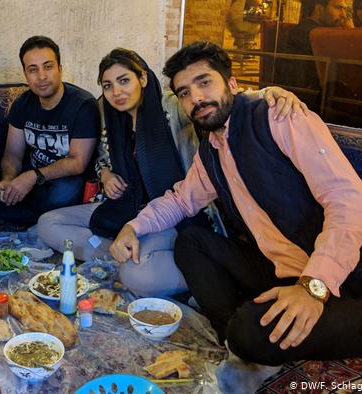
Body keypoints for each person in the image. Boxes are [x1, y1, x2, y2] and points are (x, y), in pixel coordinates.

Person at [112, 41, 362, 393]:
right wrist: (133, 226)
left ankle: (247, 338)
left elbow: (351, 202)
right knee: (192, 242)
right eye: (184, 92)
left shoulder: (278, 117)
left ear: (231, 84)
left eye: (204, 82)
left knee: (250, 331)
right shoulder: (213, 148)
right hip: (283, 272)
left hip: (358, 289)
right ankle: (240, 337)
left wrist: (313, 287)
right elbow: (182, 200)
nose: (196, 98)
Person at [38, 48, 307, 297]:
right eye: (108, 86)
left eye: (124, 80)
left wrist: (269, 93)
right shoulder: (108, 112)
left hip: (175, 212)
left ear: (142, 78)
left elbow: (221, 101)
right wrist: (106, 173)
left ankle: (198, 271)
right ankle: (119, 253)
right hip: (125, 208)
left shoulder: (170, 105)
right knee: (47, 224)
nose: (116, 92)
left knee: (138, 274)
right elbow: (101, 157)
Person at [0, 36, 100, 226]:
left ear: (60, 69)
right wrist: (9, 179)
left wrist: (32, 177)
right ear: (25, 74)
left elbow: (77, 163)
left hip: (67, 179)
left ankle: (23, 213)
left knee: (63, 194)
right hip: (33, 177)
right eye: (33, 69)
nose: (41, 76)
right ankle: (33, 215)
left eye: (48, 66)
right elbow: (12, 154)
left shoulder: (83, 105)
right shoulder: (22, 104)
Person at [277, 0, 353, 111]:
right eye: (338, 8)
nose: (343, 15)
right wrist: (350, 34)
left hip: (303, 99)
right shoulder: (312, 33)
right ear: (319, 9)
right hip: (305, 103)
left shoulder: (307, 29)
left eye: (344, 9)